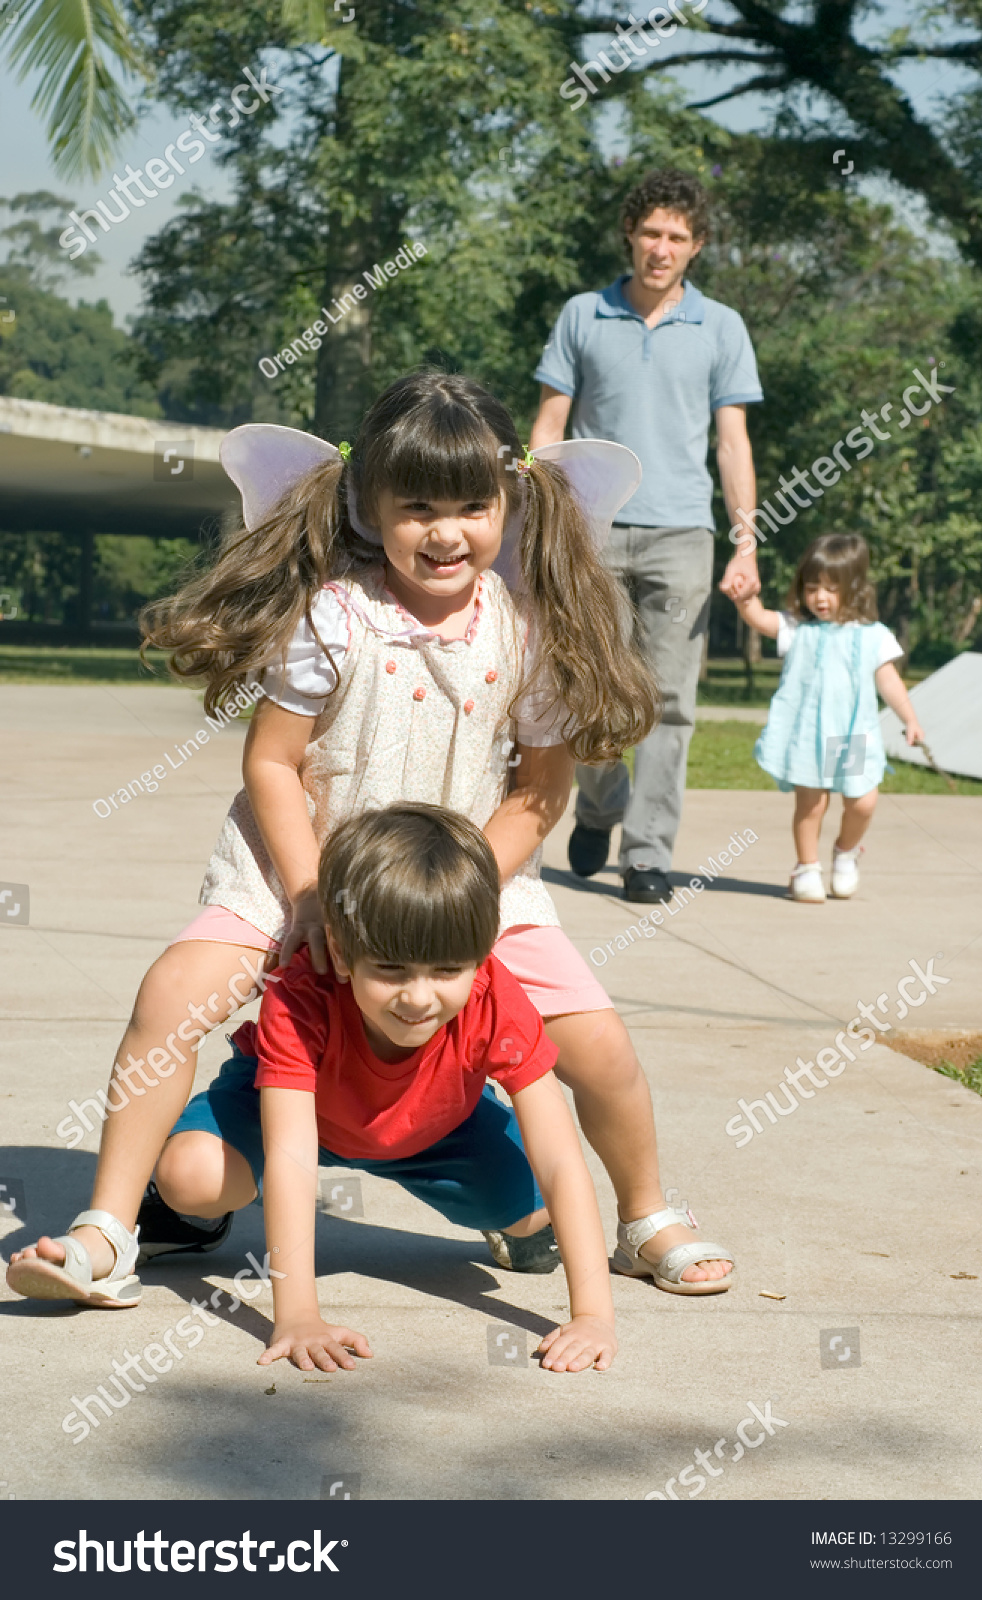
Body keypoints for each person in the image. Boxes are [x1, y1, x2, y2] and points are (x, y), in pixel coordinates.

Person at [8, 371, 733, 1309]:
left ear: (508, 503)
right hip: (297, 873)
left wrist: (466, 893)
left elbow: (538, 790)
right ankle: (108, 1230)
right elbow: (272, 765)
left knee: (599, 1043)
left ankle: (642, 1217)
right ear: (367, 503)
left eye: (472, 506)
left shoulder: (528, 630)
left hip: (469, 883)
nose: (446, 531)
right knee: (170, 994)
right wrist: (311, 892)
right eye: (417, 506)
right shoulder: (331, 614)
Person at [160, 804, 617, 1374]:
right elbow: (292, 1156)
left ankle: (513, 1226)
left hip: (437, 1126)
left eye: (447, 970)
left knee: (536, 1207)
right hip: (296, 1119)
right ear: (344, 955)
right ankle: (188, 1219)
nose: (418, 997)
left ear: (481, 960)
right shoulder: (302, 996)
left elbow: (560, 1157)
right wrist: (298, 1313)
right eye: (392, 970)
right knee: (192, 1175)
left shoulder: (497, 997)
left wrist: (593, 1314)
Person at [530, 167, 765, 904]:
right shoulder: (581, 315)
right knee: (590, 686)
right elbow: (549, 425)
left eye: (676, 236)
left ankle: (647, 855)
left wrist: (746, 538)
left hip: (683, 534)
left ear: (696, 247)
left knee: (667, 701)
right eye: (650, 233)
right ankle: (600, 803)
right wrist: (535, 514)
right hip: (591, 528)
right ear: (629, 236)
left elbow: (733, 441)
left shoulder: (721, 327)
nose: (660, 248)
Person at [732, 532, 923, 902]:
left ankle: (846, 851)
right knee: (811, 804)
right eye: (812, 587)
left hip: (849, 736)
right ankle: (806, 867)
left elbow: (890, 682)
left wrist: (909, 718)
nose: (820, 597)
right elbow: (760, 619)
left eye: (831, 589)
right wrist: (745, 599)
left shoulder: (872, 636)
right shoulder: (796, 628)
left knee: (862, 802)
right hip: (807, 735)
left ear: (854, 589)